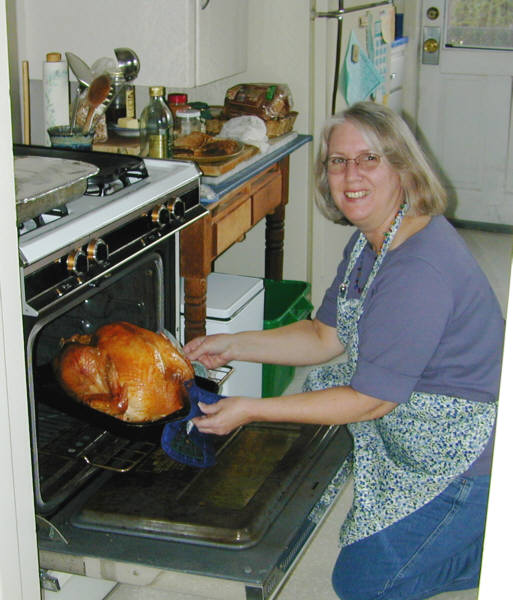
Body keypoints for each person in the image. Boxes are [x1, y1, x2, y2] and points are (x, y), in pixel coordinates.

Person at [184, 101, 504, 600]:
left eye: (369, 159)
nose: (350, 175)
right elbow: (323, 335)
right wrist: (233, 345)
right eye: (338, 161)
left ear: (403, 167)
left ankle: (494, 550)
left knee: (364, 585)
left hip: (462, 458)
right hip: (408, 422)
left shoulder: (418, 270)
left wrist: (252, 409)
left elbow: (370, 399)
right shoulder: (372, 239)